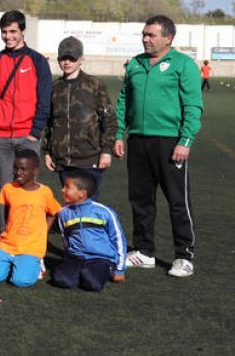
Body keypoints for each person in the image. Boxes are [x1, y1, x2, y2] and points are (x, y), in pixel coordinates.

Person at [114, 14, 203, 278]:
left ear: (168, 38)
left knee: (177, 201)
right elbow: (123, 101)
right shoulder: (136, 64)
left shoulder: (184, 65)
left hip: (170, 142)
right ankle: (144, 251)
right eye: (144, 34)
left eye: (151, 35)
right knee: (140, 199)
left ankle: (184, 256)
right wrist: (119, 134)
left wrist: (185, 140)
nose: (146, 39)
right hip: (139, 140)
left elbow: (193, 105)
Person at [0, 10, 52, 236]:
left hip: (27, 136)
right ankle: (4, 236)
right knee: (5, 190)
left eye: (13, 31)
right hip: (0, 139)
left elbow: (44, 98)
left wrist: (35, 131)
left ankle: (27, 236)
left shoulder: (37, 61)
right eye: (4, 32)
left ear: (23, 31)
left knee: (28, 190)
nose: (8, 36)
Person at [44, 36, 117, 193]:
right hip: (63, 162)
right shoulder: (54, 88)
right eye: (64, 58)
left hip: (89, 160)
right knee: (70, 204)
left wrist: (106, 150)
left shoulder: (94, 85)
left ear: (81, 59)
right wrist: (47, 152)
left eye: (72, 58)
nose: (67, 62)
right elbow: (49, 123)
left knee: (88, 207)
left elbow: (109, 119)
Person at [0, 149, 61, 288]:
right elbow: (6, 211)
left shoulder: (44, 192)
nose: (18, 172)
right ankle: (14, 264)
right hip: (7, 245)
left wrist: (43, 231)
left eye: (23, 169)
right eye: (16, 168)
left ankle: (37, 265)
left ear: (35, 171)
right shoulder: (8, 188)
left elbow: (53, 212)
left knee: (20, 281)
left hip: (31, 247)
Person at [52, 170, 127, 291]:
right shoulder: (63, 213)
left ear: (82, 193)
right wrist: (68, 258)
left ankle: (100, 271)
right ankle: (72, 270)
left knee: (93, 284)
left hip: (100, 258)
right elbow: (65, 238)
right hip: (76, 257)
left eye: (67, 187)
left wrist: (119, 269)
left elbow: (118, 239)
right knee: (62, 280)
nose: (62, 190)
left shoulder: (104, 212)